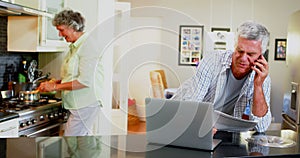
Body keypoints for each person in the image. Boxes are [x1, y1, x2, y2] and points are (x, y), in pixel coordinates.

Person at [172, 21, 272, 133]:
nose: (243, 58)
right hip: (180, 116)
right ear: (234, 47)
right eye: (240, 51)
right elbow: (191, 104)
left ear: (261, 56)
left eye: (250, 54)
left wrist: (258, 86)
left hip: (219, 129)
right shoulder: (212, 60)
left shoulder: (262, 78)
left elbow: (261, 127)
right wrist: (201, 126)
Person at [38, 9, 104, 136]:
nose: (60, 35)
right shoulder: (75, 47)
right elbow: (74, 75)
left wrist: (55, 86)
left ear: (73, 27)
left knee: (71, 143)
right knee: (79, 145)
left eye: (61, 30)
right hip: (77, 104)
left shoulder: (87, 46)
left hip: (85, 103)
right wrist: (57, 82)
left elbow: (84, 81)